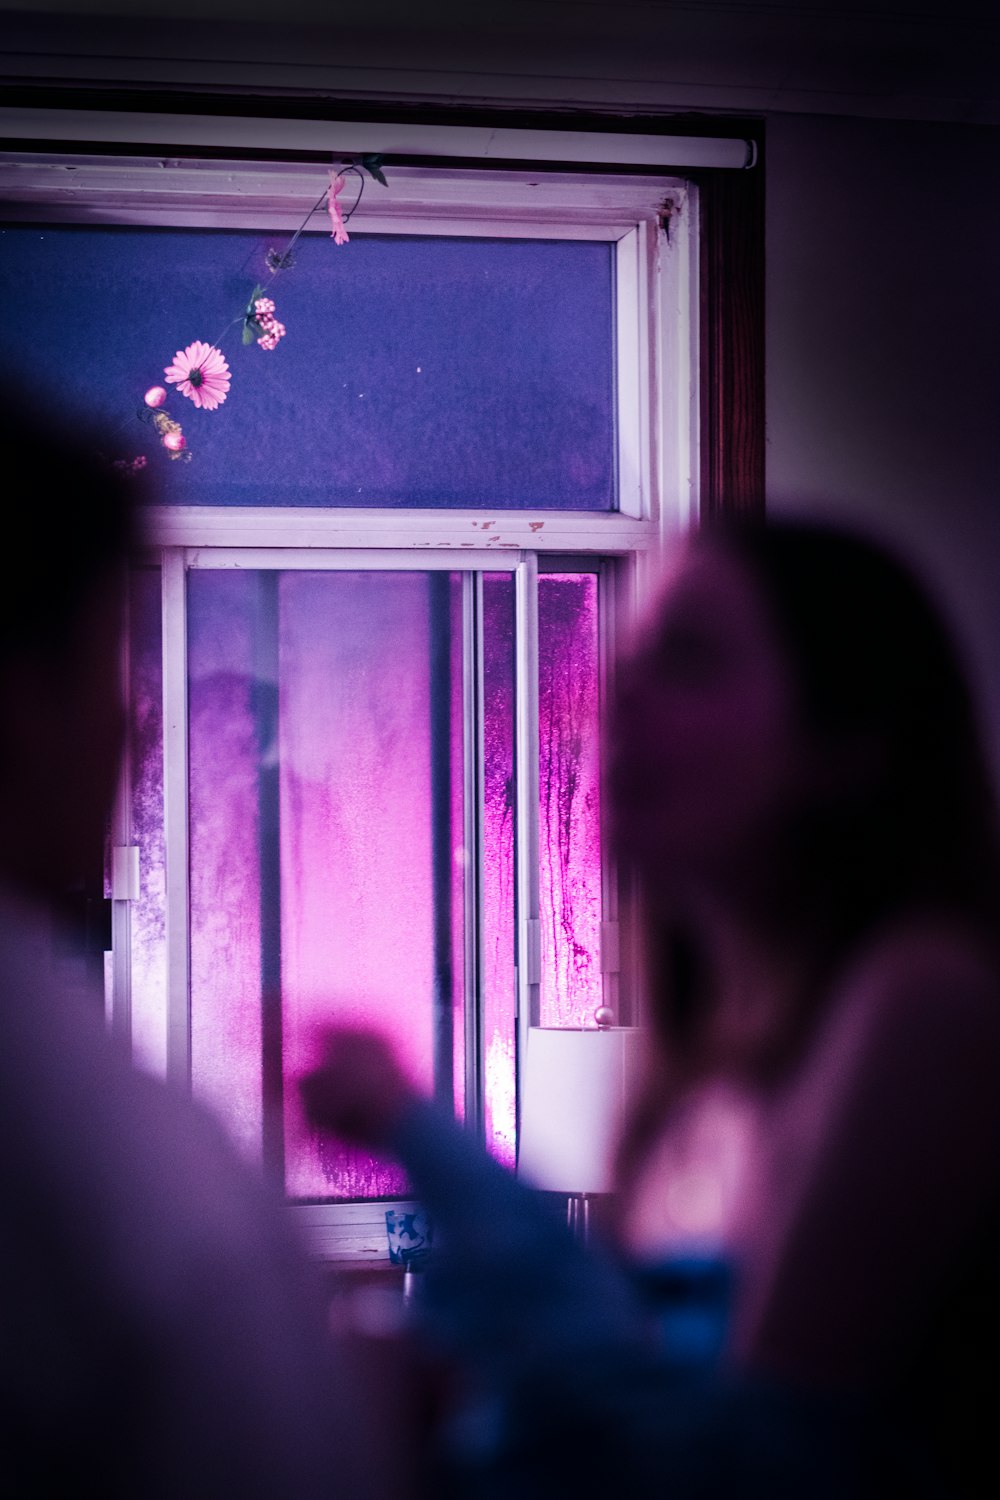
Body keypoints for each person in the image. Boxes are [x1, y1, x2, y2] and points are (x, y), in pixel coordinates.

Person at [301, 516, 1000, 1498]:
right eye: (625, 661)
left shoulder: (926, 1000)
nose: (619, 695)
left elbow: (736, 1465)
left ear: (849, 743)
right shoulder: (682, 1077)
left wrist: (421, 1139)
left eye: (691, 659)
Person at [0, 383, 369, 1497]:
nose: (140, 723)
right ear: (28, 697)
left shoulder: (312, 817)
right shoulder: (135, 1186)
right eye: (111, 663)